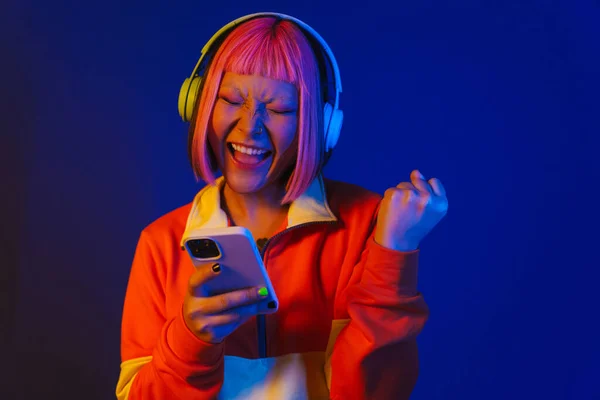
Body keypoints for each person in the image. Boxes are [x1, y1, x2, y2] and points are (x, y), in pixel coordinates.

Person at [116, 12, 448, 400]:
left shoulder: (368, 226)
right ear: (198, 104)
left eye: (277, 109)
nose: (249, 127)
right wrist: (192, 341)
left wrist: (394, 253)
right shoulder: (161, 244)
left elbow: (373, 393)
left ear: (320, 125)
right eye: (232, 99)